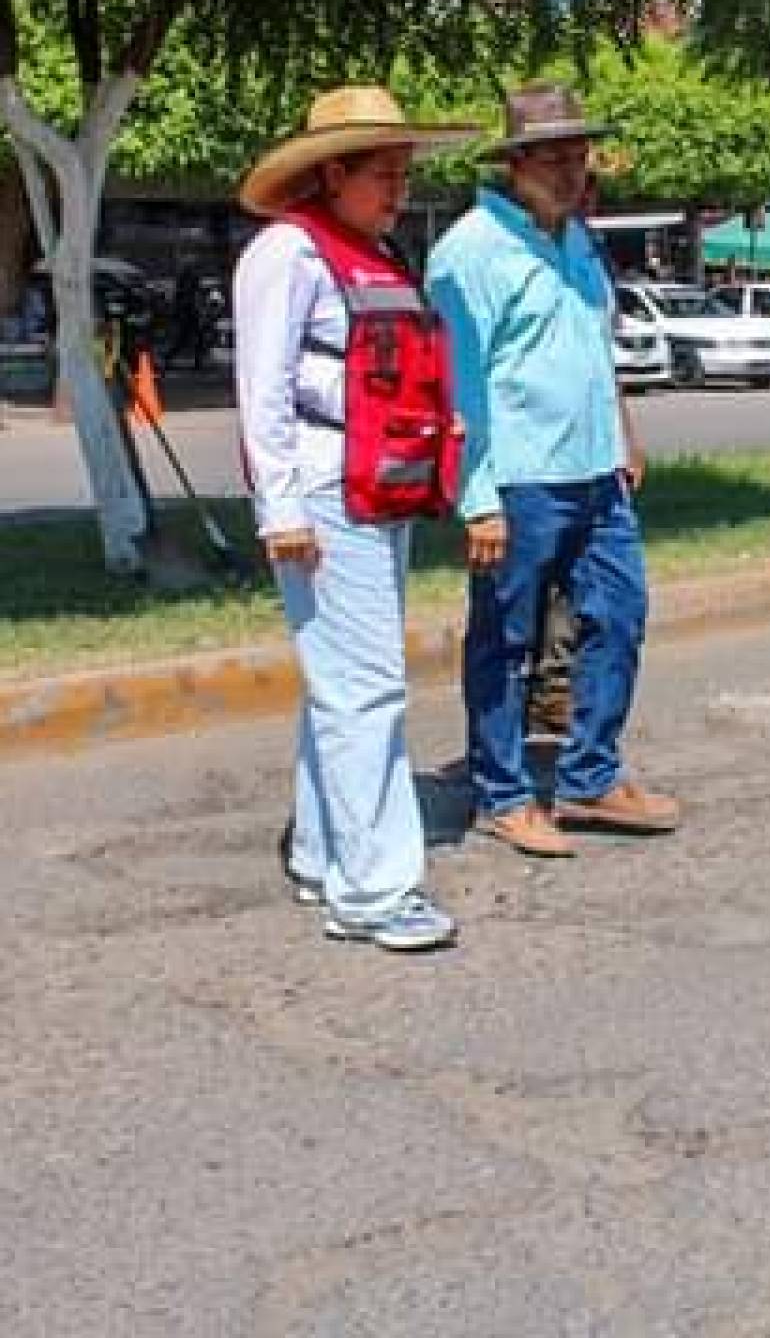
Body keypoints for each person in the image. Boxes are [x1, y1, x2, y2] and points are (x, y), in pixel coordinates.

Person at [233, 85, 477, 952]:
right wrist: (280, 509)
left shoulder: (371, 252)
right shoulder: (288, 254)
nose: (399, 189)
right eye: (385, 172)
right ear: (332, 172)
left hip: (381, 490)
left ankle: (322, 854)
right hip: (326, 494)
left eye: (404, 172)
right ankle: (375, 893)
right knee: (365, 688)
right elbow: (260, 391)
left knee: (342, 684)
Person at [426, 81, 679, 859]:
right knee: (505, 639)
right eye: (552, 157)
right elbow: (459, 382)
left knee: (620, 616)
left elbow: (595, 355)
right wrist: (478, 500)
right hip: (519, 481)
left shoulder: (578, 241)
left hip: (598, 475)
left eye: (579, 154)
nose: (571, 170)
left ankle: (590, 774)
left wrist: (624, 438)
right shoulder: (470, 252)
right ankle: (503, 791)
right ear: (516, 163)